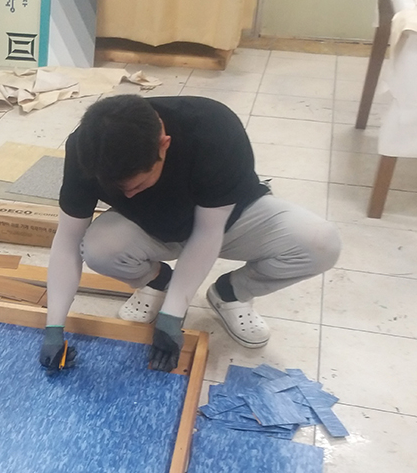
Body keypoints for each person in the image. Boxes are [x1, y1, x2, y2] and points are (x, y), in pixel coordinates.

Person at [39, 93, 341, 373]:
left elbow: (207, 234)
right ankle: (158, 281)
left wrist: (172, 315)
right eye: (119, 189)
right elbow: (67, 241)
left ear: (164, 144)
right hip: (152, 225)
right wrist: (53, 328)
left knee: (321, 244)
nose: (127, 195)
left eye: (138, 185)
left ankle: (231, 292)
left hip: (227, 220)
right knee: (98, 248)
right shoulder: (86, 148)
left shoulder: (213, 129)